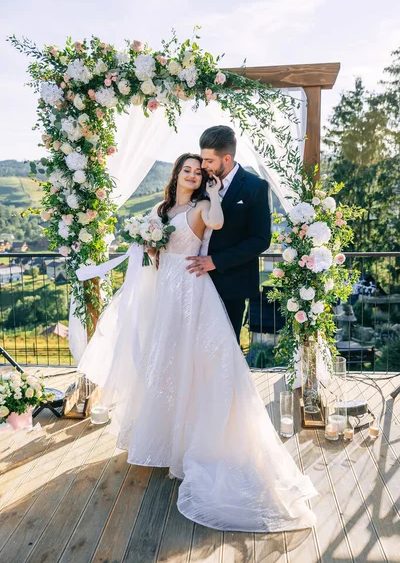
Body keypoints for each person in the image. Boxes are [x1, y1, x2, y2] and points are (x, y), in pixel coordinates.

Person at [77, 151, 317, 533]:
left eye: (197, 170)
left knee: (208, 362)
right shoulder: (161, 208)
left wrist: (217, 193)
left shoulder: (207, 206)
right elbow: (153, 251)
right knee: (166, 363)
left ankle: (203, 442)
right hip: (166, 294)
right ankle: (167, 438)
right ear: (177, 174)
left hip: (193, 290)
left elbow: (220, 223)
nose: (192, 174)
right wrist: (151, 247)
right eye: (186, 169)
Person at [186, 125, 271, 342]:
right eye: (202, 159)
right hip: (191, 279)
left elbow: (261, 239)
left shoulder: (255, 187)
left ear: (226, 159)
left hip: (231, 283)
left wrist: (216, 261)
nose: (202, 166)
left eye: (208, 161)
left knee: (225, 348)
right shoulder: (199, 182)